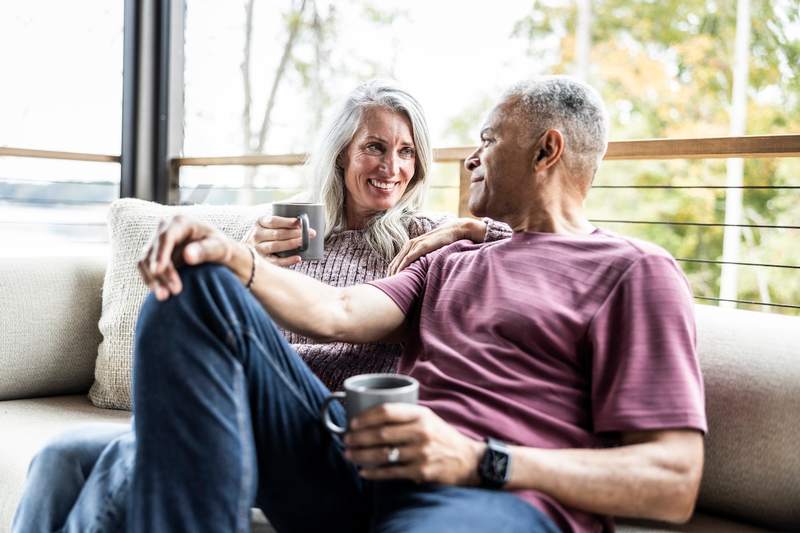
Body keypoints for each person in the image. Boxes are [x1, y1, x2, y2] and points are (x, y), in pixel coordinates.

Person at [121, 76, 706, 532]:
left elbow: (673, 481)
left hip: (484, 495)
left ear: (545, 151)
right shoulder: (450, 258)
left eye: (488, 140)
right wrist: (231, 255)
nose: (471, 158)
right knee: (194, 287)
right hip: (353, 462)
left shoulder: (633, 270)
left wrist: (481, 459)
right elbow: (340, 312)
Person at [12, 81, 510, 533]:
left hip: (318, 431)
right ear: (341, 155)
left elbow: (536, 246)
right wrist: (251, 264)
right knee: (60, 455)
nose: (391, 168)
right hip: (241, 410)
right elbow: (224, 335)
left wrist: (473, 227)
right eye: (374, 148)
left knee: (129, 460)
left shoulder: (427, 238)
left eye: (406, 153)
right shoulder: (290, 233)